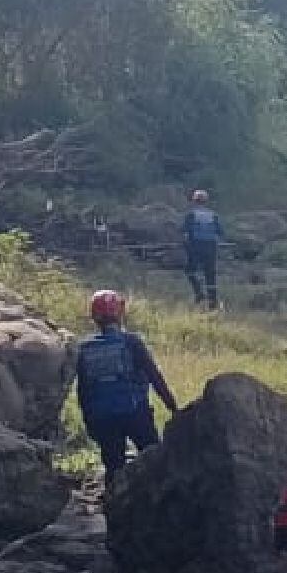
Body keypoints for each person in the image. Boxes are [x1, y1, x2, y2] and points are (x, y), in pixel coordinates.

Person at [74, 290, 178, 479]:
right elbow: (154, 376)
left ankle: (112, 503)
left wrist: (89, 420)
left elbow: (83, 390)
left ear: (94, 317)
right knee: (154, 459)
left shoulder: (84, 349)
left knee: (114, 467)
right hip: (135, 412)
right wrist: (173, 407)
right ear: (120, 313)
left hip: (102, 417)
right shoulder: (131, 342)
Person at [182, 188, 225, 310]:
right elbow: (220, 232)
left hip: (195, 246)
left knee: (190, 271)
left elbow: (185, 234)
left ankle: (199, 293)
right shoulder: (213, 215)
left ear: (194, 201)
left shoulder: (191, 215)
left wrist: (186, 247)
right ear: (206, 201)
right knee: (210, 274)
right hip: (211, 247)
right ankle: (213, 302)